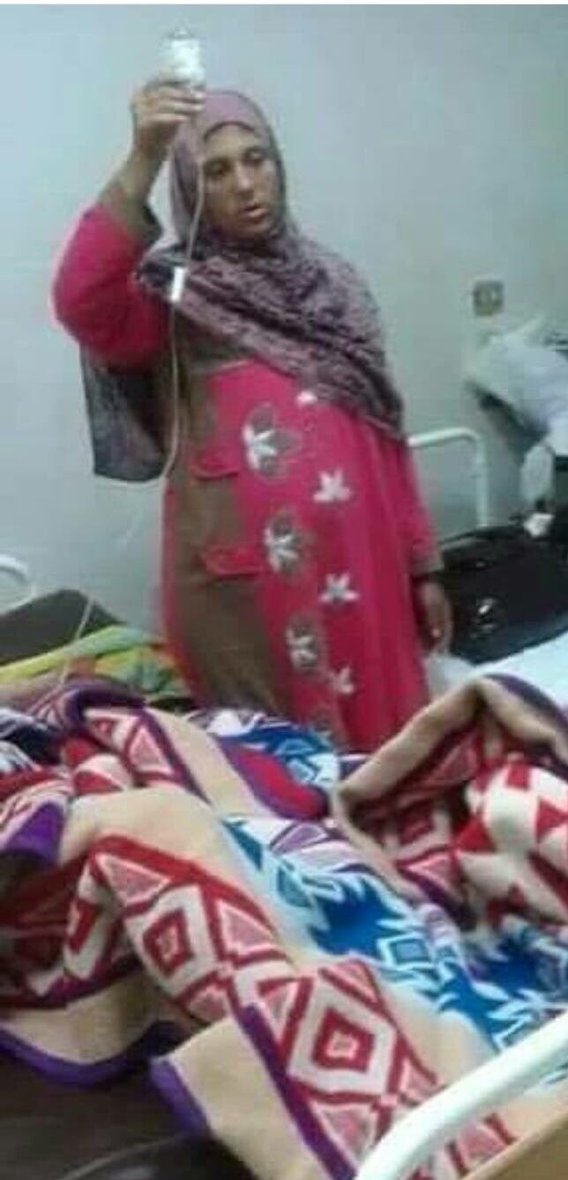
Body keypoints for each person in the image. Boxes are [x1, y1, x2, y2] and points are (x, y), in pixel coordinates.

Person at [52, 82, 452, 753]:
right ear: (190, 188)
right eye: (216, 170)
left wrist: (423, 566)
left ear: (278, 164)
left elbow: (387, 435)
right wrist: (145, 154)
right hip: (248, 597)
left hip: (366, 575)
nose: (244, 183)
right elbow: (80, 299)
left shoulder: (335, 289)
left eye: (255, 159)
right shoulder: (176, 300)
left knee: (390, 758)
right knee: (283, 774)